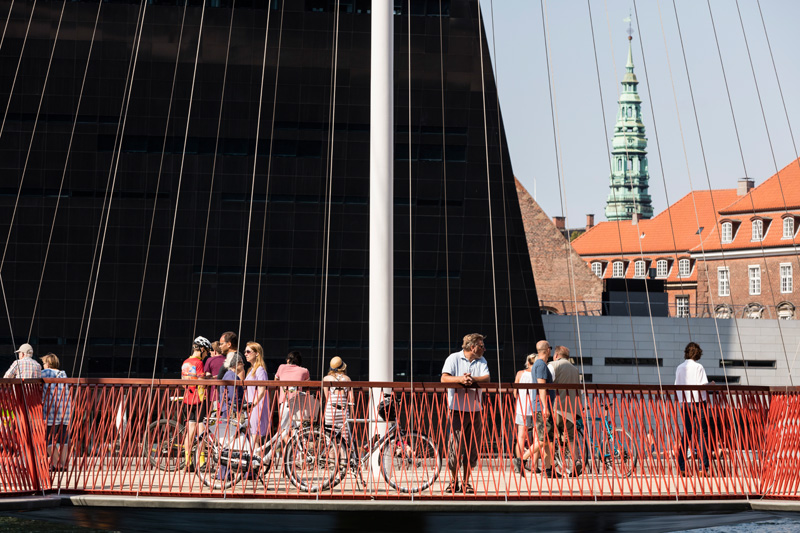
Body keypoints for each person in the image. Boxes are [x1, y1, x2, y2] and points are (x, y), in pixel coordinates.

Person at [441, 333, 490, 494]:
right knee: (455, 448)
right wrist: (461, 380)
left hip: (476, 410)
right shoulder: (453, 358)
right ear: (472, 347)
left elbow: (486, 378)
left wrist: (471, 380)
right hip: (456, 410)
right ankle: (454, 481)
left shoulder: (481, 360)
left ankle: (466, 482)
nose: (484, 349)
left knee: (471, 448)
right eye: (481, 346)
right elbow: (444, 378)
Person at [675, 341, 711, 476]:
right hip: (699, 403)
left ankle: (682, 466)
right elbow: (703, 385)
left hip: (685, 403)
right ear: (697, 353)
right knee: (703, 434)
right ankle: (703, 468)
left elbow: (676, 386)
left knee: (686, 434)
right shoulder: (699, 367)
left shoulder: (679, 367)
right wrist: (711, 385)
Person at [181, 336, 211, 471]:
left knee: (190, 431)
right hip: (199, 399)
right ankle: (202, 461)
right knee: (201, 431)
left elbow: (183, 382)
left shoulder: (185, 362)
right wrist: (209, 377)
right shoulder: (199, 363)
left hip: (187, 398)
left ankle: (188, 462)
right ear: (202, 349)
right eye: (206, 351)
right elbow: (201, 381)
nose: (206, 355)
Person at [550, 346, 581, 475]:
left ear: (556, 355)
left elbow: (545, 384)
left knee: (550, 436)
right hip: (572, 409)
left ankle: (550, 465)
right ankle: (577, 461)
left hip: (557, 407)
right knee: (572, 437)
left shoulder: (553, 365)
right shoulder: (575, 369)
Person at [40, 353, 71, 471]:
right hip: (65, 410)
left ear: (47, 363)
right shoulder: (63, 373)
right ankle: (63, 465)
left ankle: (56, 463)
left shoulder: (45, 373)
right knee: (64, 440)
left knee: (46, 439)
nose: (43, 366)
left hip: (51, 411)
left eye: (43, 363)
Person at [531, 340, 556, 477]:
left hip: (543, 406)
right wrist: (545, 407)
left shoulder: (540, 364)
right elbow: (542, 387)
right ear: (547, 350)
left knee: (548, 440)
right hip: (542, 407)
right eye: (550, 348)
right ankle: (521, 459)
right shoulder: (540, 365)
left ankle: (548, 470)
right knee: (544, 439)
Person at [275, 351, 311, 442]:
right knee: (298, 429)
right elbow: (308, 385)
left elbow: (275, 380)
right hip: (299, 403)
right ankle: (296, 451)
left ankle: (290, 446)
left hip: (285, 402)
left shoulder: (281, 367)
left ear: (288, 360)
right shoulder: (304, 370)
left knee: (283, 430)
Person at [513, 354, 536, 476]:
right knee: (536, 437)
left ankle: (518, 461)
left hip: (522, 408)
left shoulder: (520, 374)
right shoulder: (537, 374)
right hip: (535, 408)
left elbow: (514, 392)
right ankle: (534, 465)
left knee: (521, 437)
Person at [323, 356, 353, 448]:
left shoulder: (326, 379)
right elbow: (351, 399)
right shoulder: (347, 379)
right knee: (344, 441)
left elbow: (327, 397)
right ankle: (343, 461)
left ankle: (332, 462)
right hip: (343, 411)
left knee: (331, 441)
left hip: (330, 411)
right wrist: (351, 414)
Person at [244, 342, 271, 442]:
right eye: (245, 352)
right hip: (251, 407)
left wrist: (252, 405)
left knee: (254, 439)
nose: (245, 354)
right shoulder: (251, 370)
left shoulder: (260, 370)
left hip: (256, 408)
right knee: (253, 439)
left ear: (257, 353)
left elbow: (261, 391)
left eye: (248, 351)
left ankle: (255, 458)